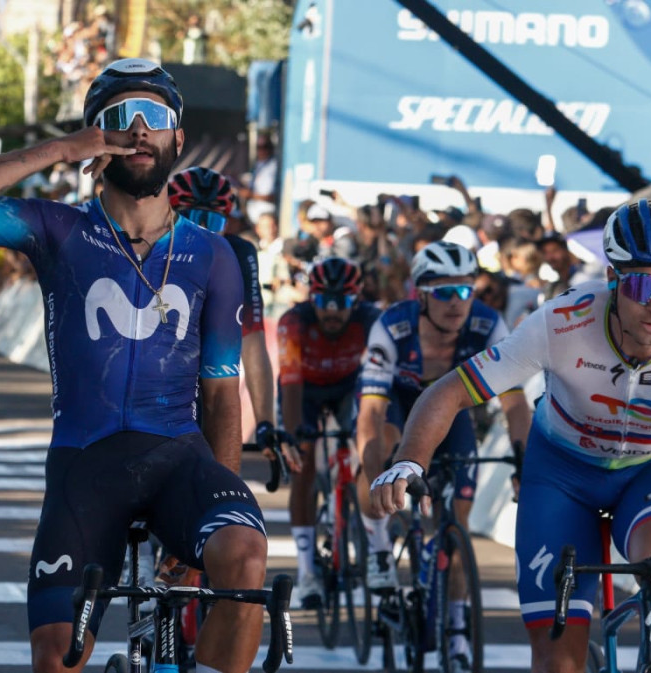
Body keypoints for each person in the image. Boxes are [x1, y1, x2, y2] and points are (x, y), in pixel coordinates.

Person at [0, 58, 268, 673]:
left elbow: (222, 393)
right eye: (119, 118)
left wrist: (218, 511)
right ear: (98, 139)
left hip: (179, 457)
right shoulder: (58, 229)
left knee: (245, 555)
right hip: (86, 463)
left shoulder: (213, 255)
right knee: (57, 658)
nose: (138, 129)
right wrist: (64, 148)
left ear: (179, 140)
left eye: (155, 117)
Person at [371, 200, 651, 673]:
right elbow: (451, 391)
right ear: (612, 279)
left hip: (648, 468)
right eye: (641, 284)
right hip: (560, 474)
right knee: (557, 661)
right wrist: (410, 460)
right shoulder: (560, 323)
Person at [357, 241, 532, 604]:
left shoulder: (487, 324)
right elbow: (371, 414)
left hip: (452, 415)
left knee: (457, 525)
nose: (457, 301)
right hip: (398, 405)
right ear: (421, 296)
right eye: (444, 292)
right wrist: (377, 478)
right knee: (382, 445)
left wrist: (524, 463)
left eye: (465, 290)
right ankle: (377, 545)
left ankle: (455, 627)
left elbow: (515, 404)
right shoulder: (392, 326)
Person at [167, 166, 298, 476]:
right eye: (191, 219)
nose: (202, 231)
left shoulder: (238, 252)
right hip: (158, 375)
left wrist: (265, 421)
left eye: (212, 221)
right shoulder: (148, 245)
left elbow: (252, 344)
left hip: (212, 374)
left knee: (223, 488)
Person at [277, 257, 381, 607]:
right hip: (303, 388)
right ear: (311, 299)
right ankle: (307, 573)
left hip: (348, 386)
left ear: (358, 299)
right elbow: (290, 385)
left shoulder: (372, 319)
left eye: (343, 303)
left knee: (369, 449)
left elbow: (383, 384)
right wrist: (295, 438)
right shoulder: (294, 322)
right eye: (323, 303)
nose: (333, 313)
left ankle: (358, 524)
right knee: (303, 467)